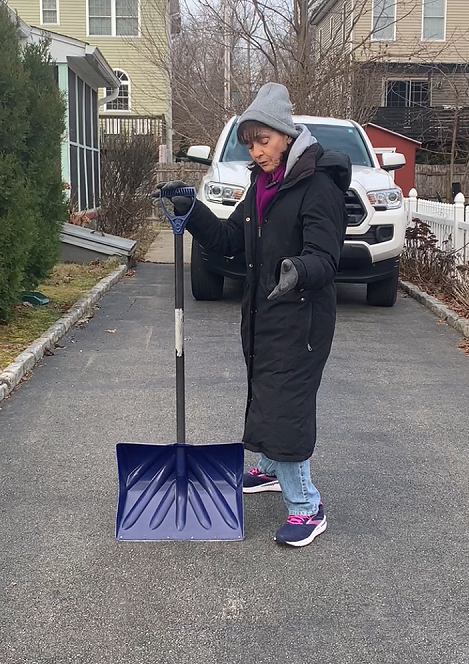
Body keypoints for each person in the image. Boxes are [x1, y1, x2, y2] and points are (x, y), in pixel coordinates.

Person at [156, 82, 350, 547]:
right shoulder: (262, 186)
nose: (257, 151)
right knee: (265, 387)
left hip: (300, 317)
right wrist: (193, 211)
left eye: (263, 140)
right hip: (264, 312)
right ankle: (267, 470)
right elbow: (228, 242)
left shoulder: (317, 186)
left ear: (285, 135)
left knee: (286, 404)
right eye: (250, 143)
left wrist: (295, 269)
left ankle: (307, 505)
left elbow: (325, 258)